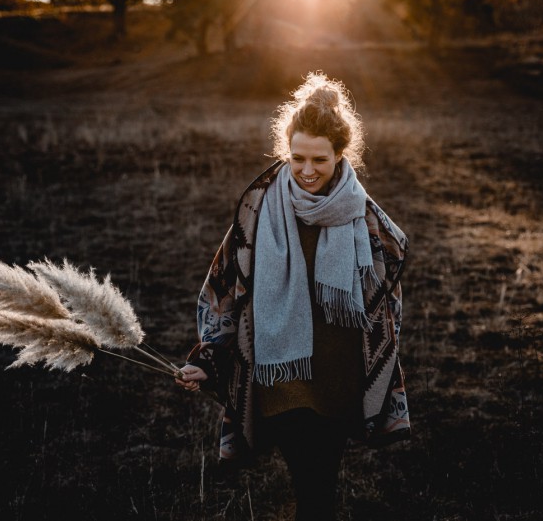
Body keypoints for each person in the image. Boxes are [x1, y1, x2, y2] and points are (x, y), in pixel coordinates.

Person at [176, 71, 410, 521]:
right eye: (297, 157)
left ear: (341, 155)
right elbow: (224, 290)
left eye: (319, 160)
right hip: (278, 376)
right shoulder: (259, 209)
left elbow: (386, 301)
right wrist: (207, 358)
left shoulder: (365, 219)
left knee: (317, 487)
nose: (306, 171)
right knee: (313, 484)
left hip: (340, 378)